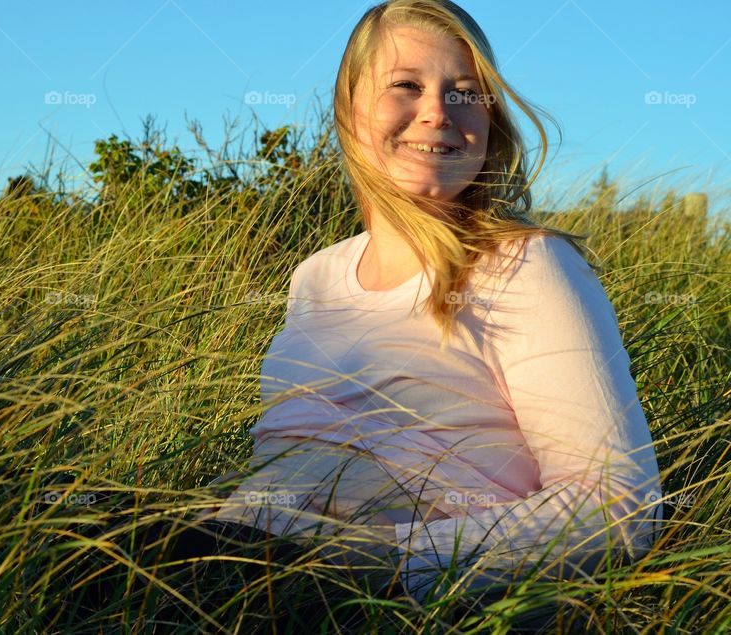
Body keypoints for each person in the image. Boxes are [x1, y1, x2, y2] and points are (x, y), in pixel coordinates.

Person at [203, 0, 664, 607]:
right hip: (234, 557)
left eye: (466, 94)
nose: (437, 113)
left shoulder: (527, 265)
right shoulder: (316, 276)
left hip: (377, 599)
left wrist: (386, 562)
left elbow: (617, 506)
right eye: (406, 85)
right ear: (349, 109)